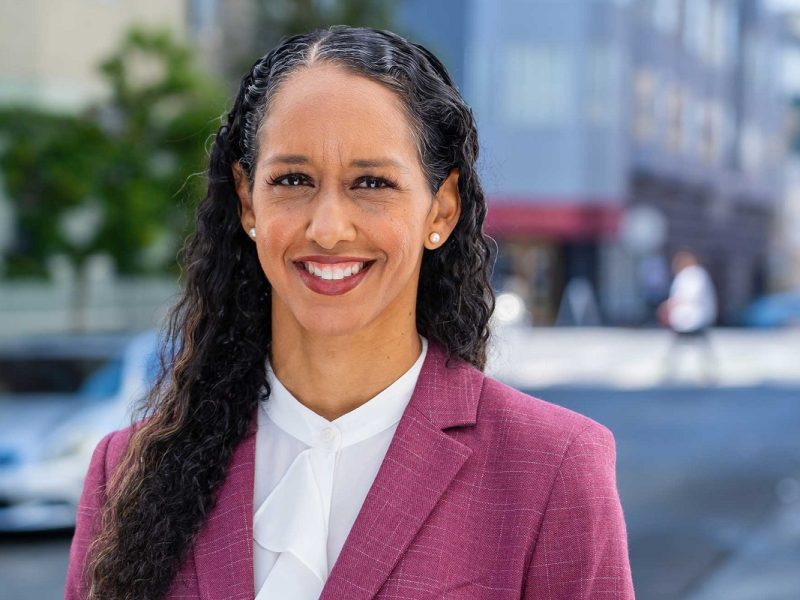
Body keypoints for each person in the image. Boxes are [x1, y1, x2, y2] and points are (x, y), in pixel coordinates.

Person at [65, 26, 634, 599]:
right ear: (247, 201)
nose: (329, 227)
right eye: (292, 180)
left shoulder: (553, 470)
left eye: (371, 182)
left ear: (442, 208)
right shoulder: (128, 472)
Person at [658, 249, 718, 383]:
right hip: (688, 318)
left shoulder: (694, 275)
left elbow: (689, 295)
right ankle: (705, 372)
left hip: (692, 318)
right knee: (697, 347)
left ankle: (705, 372)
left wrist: (669, 305)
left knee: (691, 346)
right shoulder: (691, 275)